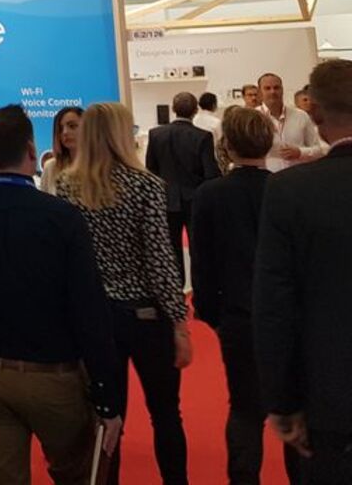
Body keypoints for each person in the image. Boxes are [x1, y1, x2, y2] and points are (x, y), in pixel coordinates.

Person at [0, 105, 123, 484]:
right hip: (52, 376)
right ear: (31, 149)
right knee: (76, 473)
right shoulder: (61, 218)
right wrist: (107, 395)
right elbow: (89, 312)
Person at [56, 102, 190, 485]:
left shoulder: (67, 186)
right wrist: (179, 322)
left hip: (96, 319)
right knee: (166, 413)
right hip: (146, 316)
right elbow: (160, 259)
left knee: (108, 418)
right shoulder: (146, 185)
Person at [190, 107, 301, 485]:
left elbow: (203, 264)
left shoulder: (210, 195)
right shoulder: (288, 188)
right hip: (288, 317)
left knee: (243, 408)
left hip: (238, 316)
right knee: (295, 403)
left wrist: (212, 314)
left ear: (227, 144)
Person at [256, 58, 352, 484]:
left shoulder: (289, 192)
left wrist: (282, 400)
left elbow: (275, 307)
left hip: (328, 397)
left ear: (314, 114)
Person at [145, 91, 219, 285]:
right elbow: (211, 173)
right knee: (198, 250)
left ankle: (175, 290)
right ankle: (199, 291)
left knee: (171, 250)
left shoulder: (155, 134)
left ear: (173, 109)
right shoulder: (203, 137)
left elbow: (150, 170)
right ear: (195, 110)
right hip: (195, 200)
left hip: (166, 199)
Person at [257, 72, 323, 171]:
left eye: (276, 88)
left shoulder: (301, 115)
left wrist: (300, 152)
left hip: (297, 175)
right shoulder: (253, 118)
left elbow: (319, 150)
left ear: (282, 90)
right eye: (267, 88)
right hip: (266, 176)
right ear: (259, 92)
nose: (273, 92)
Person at [39, 106, 81, 195]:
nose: (65, 132)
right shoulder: (50, 167)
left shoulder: (99, 166)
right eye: (60, 129)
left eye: (72, 126)